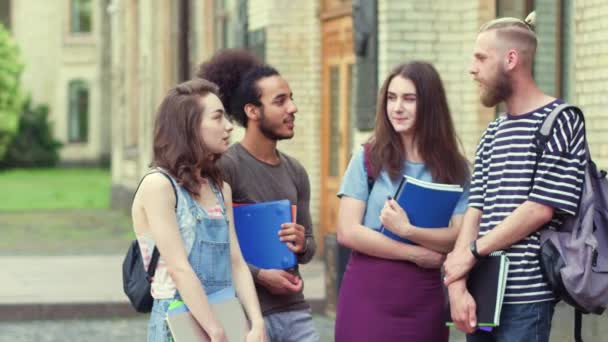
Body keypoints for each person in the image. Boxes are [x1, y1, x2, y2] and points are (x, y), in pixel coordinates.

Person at [443, 15, 587, 342]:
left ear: (511, 60)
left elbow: (540, 209)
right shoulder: (493, 132)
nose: (472, 68)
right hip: (481, 293)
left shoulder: (561, 120)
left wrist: (473, 252)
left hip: (527, 300)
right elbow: (474, 209)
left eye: (481, 58)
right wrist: (458, 284)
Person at [334, 61, 470, 341]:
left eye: (409, 99)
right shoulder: (368, 158)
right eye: (392, 98)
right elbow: (347, 231)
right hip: (367, 293)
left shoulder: (456, 168)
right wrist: (414, 252)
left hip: (424, 299)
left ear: (430, 105)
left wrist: (408, 230)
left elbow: (459, 236)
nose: (397, 108)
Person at [197, 50, 319, 342]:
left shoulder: (296, 172)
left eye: (291, 98)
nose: (293, 108)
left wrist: (302, 243)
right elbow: (208, 246)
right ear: (252, 111)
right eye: (280, 101)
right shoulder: (225, 168)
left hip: (294, 312)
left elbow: (310, 248)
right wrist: (259, 275)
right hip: (243, 313)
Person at [131, 78, 265, 342]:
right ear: (189, 128)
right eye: (217, 118)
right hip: (180, 323)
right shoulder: (159, 186)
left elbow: (236, 261)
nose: (228, 126)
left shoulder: (219, 188)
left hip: (228, 317)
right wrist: (214, 330)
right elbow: (179, 268)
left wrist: (256, 322)